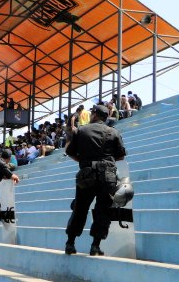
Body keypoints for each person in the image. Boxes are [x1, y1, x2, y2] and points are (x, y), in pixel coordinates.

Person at [64, 104, 127, 256]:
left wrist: (84, 161)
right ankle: (95, 246)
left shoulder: (81, 130)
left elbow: (69, 151)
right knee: (103, 211)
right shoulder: (114, 132)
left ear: (95, 115)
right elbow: (121, 155)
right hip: (108, 176)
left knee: (80, 209)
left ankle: (70, 243)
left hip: (87, 174)